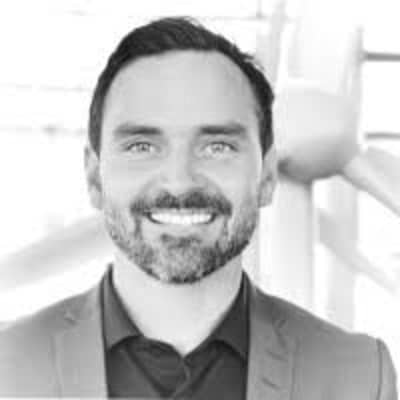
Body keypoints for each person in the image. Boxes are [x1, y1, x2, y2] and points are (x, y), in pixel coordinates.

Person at [0, 17, 397, 399]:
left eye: (217, 146)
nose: (180, 181)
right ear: (94, 177)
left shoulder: (360, 377)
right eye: (142, 146)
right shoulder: (7, 366)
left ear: (267, 176)